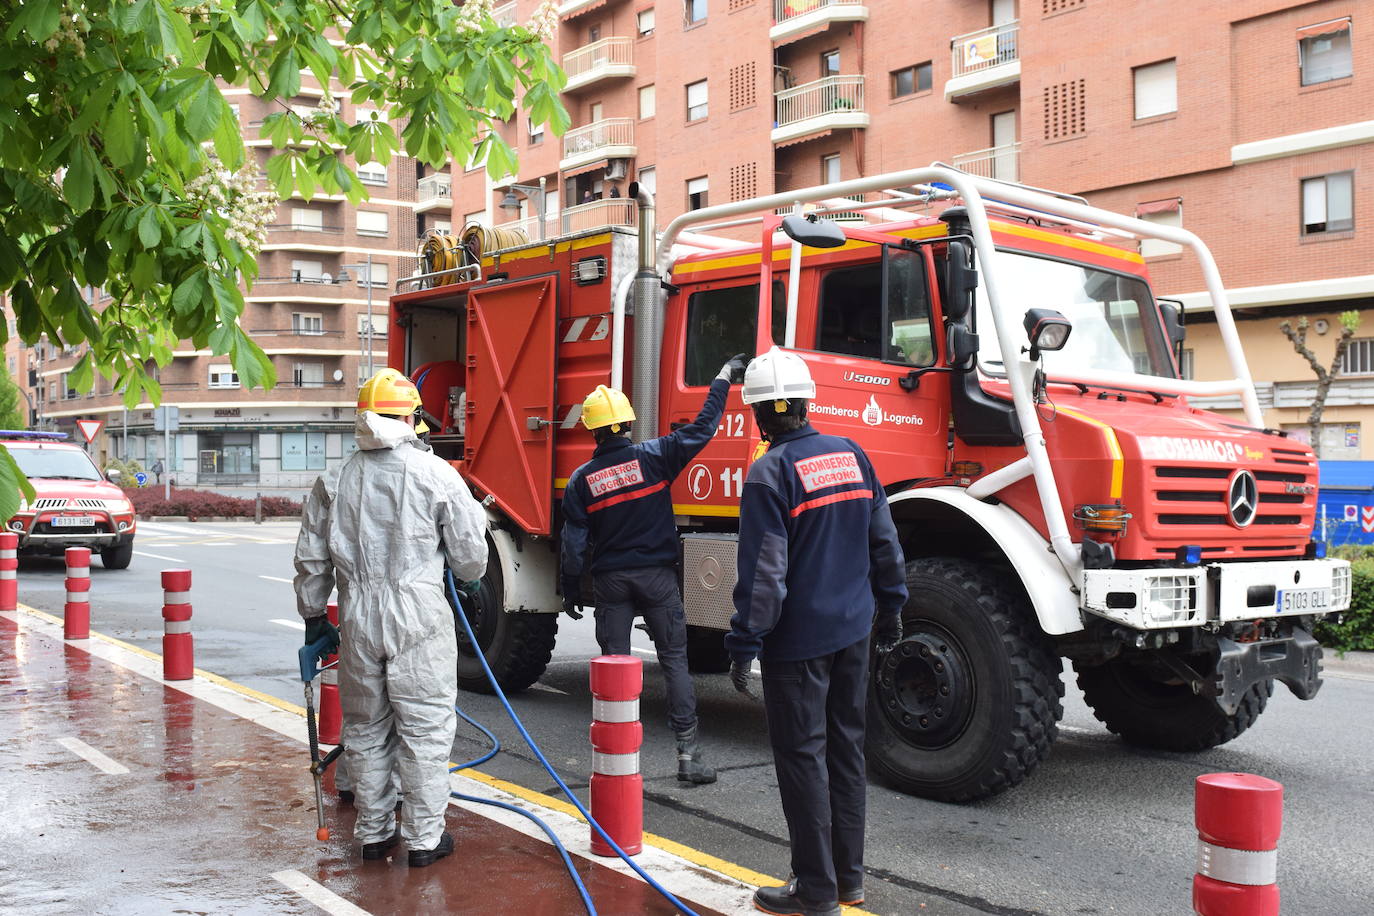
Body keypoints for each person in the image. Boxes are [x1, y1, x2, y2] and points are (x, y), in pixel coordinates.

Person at [725, 348, 907, 916]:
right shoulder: (852, 454)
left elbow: (764, 577)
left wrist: (743, 643)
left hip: (798, 645)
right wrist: (893, 605)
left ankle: (814, 890)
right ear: (806, 402)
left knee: (803, 759)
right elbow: (885, 542)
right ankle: (847, 880)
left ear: (759, 414)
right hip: (855, 630)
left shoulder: (769, 472)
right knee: (846, 752)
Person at [294, 368, 488, 868]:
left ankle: (374, 834)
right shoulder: (436, 472)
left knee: (366, 726)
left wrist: (315, 616)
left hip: (358, 615)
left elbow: (311, 559)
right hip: (418, 614)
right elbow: (471, 558)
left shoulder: (335, 478)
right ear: (412, 416)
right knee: (424, 729)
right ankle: (425, 840)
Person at [560, 354, 748, 785]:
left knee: (613, 663)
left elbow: (573, 546)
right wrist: (720, 378)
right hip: (658, 578)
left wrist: (572, 588)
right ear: (627, 424)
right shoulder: (656, 456)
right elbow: (702, 427)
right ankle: (687, 756)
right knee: (675, 661)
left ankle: (613, 758)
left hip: (611, 583)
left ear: (591, 430)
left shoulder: (582, 480)